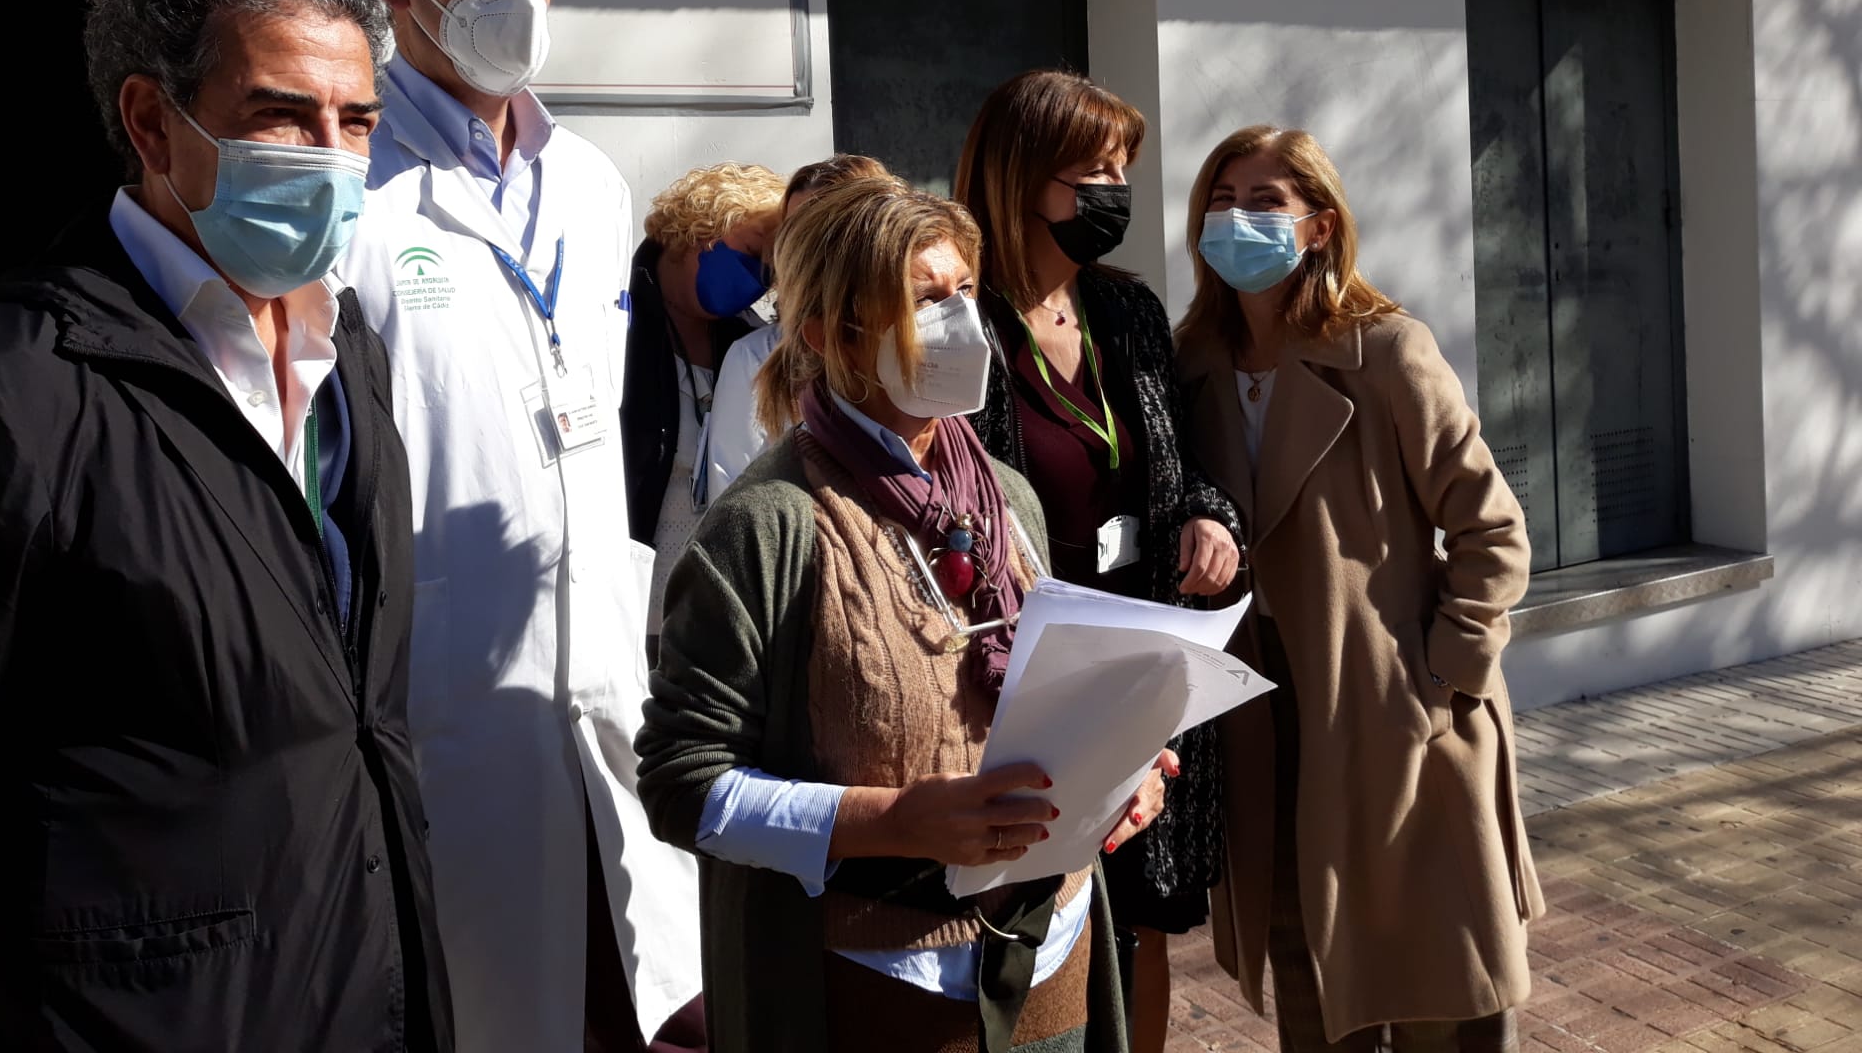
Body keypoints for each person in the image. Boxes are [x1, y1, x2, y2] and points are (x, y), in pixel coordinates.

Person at [0, 0, 451, 1050]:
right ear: (152, 122)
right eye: (278, 116)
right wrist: (34, 982)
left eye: (354, 122)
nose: (330, 158)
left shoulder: (347, 353)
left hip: (359, 980)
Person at [637, 178, 1180, 1053]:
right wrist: (889, 821)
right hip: (873, 993)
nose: (961, 320)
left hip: (1052, 963)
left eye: (965, 289)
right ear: (825, 332)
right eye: (925, 300)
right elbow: (681, 785)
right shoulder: (766, 523)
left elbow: (1045, 699)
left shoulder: (1006, 498)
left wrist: (1123, 764)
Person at [343, 0, 702, 1053]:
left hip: (601, 665)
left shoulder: (591, 183)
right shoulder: (357, 187)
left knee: (640, 995)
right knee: (486, 1005)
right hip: (440, 693)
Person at [1173, 125, 1542, 1053]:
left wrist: (1444, 678)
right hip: (1264, 732)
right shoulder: (1190, 366)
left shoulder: (1383, 351)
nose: (1236, 219)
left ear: (1321, 226)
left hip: (1397, 726)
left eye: (1265, 202)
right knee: (1312, 990)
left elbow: (1492, 529)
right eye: (1221, 199)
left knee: (1439, 996)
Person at [955, 68, 1242, 1053]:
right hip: (1017, 670)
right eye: (1091, 170)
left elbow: (1180, 467)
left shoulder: (1123, 313)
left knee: (1142, 906)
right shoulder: (959, 321)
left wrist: (1209, 520)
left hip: (1137, 652)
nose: (1114, 189)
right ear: (1021, 173)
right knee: (1031, 906)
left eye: (1122, 167)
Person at [620, 161, 787, 636]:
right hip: (634, 610)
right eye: (753, 252)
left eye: (769, 272)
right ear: (705, 226)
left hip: (721, 614)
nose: (757, 278)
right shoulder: (618, 318)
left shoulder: (751, 346)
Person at [701, 152, 891, 501]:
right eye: (792, 231)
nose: (798, 248)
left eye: (819, 229)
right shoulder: (755, 358)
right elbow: (732, 504)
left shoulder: (918, 344)